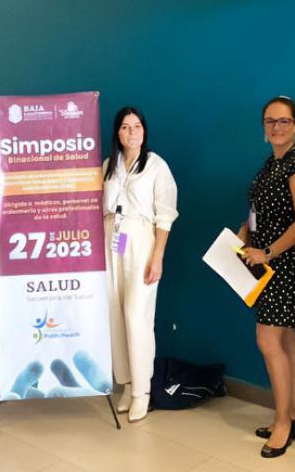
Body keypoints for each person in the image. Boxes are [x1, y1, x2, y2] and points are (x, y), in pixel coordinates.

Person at [237, 96, 295, 458]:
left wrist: (266, 252)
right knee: (285, 340)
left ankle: (283, 422)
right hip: (265, 263)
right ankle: (293, 415)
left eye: (284, 121)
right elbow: (261, 212)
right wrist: (245, 232)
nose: (277, 127)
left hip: (286, 265)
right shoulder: (272, 163)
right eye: (271, 121)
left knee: (268, 340)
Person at [102, 106, 178, 424]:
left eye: (136, 126)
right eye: (125, 126)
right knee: (115, 313)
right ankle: (127, 383)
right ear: (117, 133)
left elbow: (166, 215)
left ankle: (142, 391)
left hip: (141, 240)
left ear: (144, 131)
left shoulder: (156, 166)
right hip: (111, 238)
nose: (131, 132)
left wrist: (157, 255)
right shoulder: (109, 166)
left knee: (137, 315)